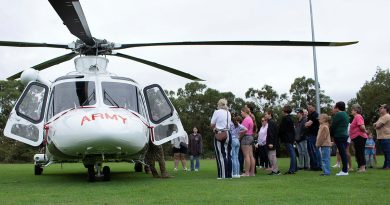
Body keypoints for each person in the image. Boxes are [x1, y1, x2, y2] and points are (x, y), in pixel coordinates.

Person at [210, 98, 232, 179]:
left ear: (219, 104)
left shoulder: (217, 112)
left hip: (220, 133)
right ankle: (229, 175)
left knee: (221, 155)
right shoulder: (228, 113)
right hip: (228, 134)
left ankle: (223, 175)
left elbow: (212, 124)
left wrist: (215, 127)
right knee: (228, 155)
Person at [331, 101, 350, 176]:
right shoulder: (346, 114)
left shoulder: (338, 114)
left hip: (339, 135)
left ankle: (344, 170)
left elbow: (333, 126)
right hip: (345, 135)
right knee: (343, 153)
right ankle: (345, 169)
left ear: (337, 107)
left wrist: (331, 135)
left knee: (342, 153)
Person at [349, 104, 368, 172]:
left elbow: (362, 126)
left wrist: (365, 131)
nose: (351, 111)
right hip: (356, 137)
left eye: (352, 109)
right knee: (358, 152)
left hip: (360, 136)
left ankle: (362, 168)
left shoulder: (358, 116)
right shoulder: (355, 117)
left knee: (360, 152)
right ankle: (360, 166)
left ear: (356, 110)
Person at [279, 105, 297, 174]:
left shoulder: (285, 119)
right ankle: (294, 168)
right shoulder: (291, 118)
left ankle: (292, 169)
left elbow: (282, 129)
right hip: (291, 138)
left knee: (292, 153)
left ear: (285, 111)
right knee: (293, 153)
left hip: (287, 138)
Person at [305, 103, 322, 171]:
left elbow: (308, 124)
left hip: (314, 135)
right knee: (310, 151)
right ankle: (313, 166)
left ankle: (319, 166)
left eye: (310, 107)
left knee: (315, 150)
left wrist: (307, 124)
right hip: (310, 135)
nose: (309, 108)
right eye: (308, 107)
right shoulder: (310, 115)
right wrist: (307, 124)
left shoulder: (315, 114)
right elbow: (306, 124)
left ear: (314, 107)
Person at [240, 106, 256, 176]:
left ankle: (246, 173)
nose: (241, 114)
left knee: (246, 156)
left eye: (241, 112)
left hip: (246, 138)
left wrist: (239, 137)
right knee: (251, 156)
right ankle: (252, 173)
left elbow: (243, 130)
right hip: (250, 137)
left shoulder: (246, 119)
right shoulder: (250, 119)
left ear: (244, 112)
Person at [374, 104, 390, 170]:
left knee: (388, 152)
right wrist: (376, 125)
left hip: (386, 137)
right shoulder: (381, 117)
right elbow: (375, 124)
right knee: (385, 153)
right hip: (381, 137)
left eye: (382, 108)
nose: (380, 109)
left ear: (386, 109)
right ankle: (385, 165)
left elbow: (377, 126)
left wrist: (376, 125)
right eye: (380, 108)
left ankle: (388, 166)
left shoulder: (387, 116)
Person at [265, 110, 280, 175]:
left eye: (266, 114)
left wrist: (271, 143)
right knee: (271, 157)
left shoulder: (271, 123)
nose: (265, 115)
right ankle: (274, 170)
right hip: (272, 142)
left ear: (270, 114)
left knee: (272, 157)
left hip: (272, 143)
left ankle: (276, 171)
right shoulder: (271, 122)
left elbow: (272, 134)